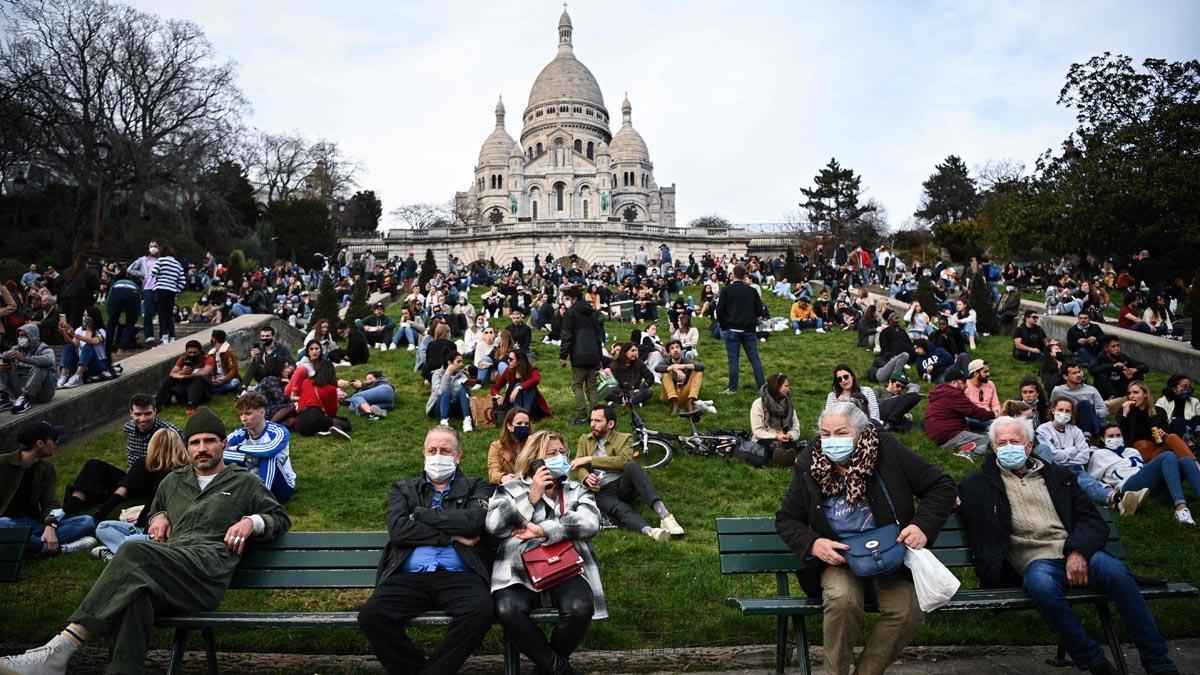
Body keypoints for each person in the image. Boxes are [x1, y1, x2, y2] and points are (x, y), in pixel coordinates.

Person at [0, 408, 291, 675]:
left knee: (132, 549)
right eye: (195, 442)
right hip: (167, 569)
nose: (202, 449)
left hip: (206, 575)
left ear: (224, 444)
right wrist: (158, 516)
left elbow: (279, 517)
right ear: (187, 447)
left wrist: (251, 521)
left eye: (209, 441)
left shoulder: (245, 482)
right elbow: (153, 511)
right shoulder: (173, 481)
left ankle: (61, 648)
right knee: (134, 597)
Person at [957, 416, 1182, 675]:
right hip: (1034, 561)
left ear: (1029, 446)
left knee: (1117, 572)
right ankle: (1094, 661)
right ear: (994, 448)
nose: (1008, 447)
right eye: (1002, 443)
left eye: (1015, 442)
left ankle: (1159, 663)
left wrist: (1077, 551)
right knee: (1040, 585)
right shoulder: (977, 485)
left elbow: (1092, 520)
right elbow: (942, 492)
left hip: (1076, 551)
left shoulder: (1058, 477)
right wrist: (949, 498)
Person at [775, 402, 957, 675]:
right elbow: (787, 519)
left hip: (889, 555)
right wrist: (814, 543)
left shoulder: (886, 450)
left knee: (906, 612)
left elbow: (941, 486)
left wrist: (922, 526)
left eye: (841, 433)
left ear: (860, 433)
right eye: (825, 434)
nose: (831, 441)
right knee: (842, 601)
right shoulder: (809, 463)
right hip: (839, 559)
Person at [356, 424, 495, 674]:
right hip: (409, 575)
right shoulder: (403, 489)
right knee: (371, 615)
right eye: (432, 450)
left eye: (445, 450)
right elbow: (399, 532)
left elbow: (473, 523)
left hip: (460, 574)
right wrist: (453, 537)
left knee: (481, 610)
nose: (437, 455)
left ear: (458, 455)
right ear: (424, 453)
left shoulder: (478, 487)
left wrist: (420, 514)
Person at [487, 430, 604, 675]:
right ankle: (561, 670)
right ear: (534, 459)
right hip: (517, 567)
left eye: (562, 452)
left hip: (566, 566)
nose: (560, 457)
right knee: (509, 609)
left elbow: (591, 522)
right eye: (551, 453)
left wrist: (542, 530)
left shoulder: (576, 489)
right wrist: (531, 497)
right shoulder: (510, 489)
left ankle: (545, 669)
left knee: (580, 608)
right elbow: (495, 524)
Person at [572, 405, 682, 541]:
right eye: (591, 420)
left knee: (632, 466)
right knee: (621, 509)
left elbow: (623, 461)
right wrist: (586, 477)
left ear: (610, 424)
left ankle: (665, 516)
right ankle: (652, 532)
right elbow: (577, 465)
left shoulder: (624, 438)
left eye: (597, 421)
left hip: (623, 484)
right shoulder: (584, 440)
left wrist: (590, 459)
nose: (592, 424)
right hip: (601, 490)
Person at [90, 428, 192, 562]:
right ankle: (124, 553)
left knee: (131, 540)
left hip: (158, 532)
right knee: (104, 527)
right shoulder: (147, 468)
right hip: (142, 526)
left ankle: (119, 555)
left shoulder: (181, 476)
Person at [0, 421, 96, 556]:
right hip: (6, 523)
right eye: (53, 439)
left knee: (87, 521)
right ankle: (51, 548)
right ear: (40, 443)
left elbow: (49, 502)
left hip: (33, 525)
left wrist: (50, 526)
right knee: (3, 524)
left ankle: (30, 545)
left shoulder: (46, 469)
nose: (56, 443)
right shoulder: (3, 463)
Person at [1088, 423, 1197, 521]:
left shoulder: (1132, 451)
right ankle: (1181, 508)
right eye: (1111, 436)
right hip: (1129, 487)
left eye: (1118, 435)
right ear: (1102, 438)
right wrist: (1109, 491)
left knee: (1186, 461)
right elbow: (1093, 480)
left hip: (1150, 487)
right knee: (1167, 455)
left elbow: (1143, 468)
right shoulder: (1099, 455)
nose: (1115, 438)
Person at [1035, 397, 1115, 507]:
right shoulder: (1043, 430)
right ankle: (1113, 498)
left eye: (1067, 411)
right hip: (1057, 469)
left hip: (1076, 468)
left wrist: (1062, 453)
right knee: (1082, 483)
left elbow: (1084, 456)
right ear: (1053, 410)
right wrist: (1073, 450)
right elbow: (1051, 455)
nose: (1063, 413)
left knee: (1089, 482)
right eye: (1060, 410)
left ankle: (1115, 498)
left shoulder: (1076, 431)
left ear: (1072, 413)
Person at [224, 392, 296, 503]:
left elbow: (268, 450)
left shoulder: (279, 431)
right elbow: (219, 453)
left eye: (248, 413)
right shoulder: (239, 433)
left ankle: (261, 500)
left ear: (262, 412)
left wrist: (240, 448)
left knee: (268, 458)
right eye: (241, 414)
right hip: (252, 477)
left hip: (282, 485)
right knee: (225, 461)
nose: (243, 418)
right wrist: (244, 458)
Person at [715, 264, 767, 394]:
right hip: (749, 330)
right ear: (745, 275)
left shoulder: (727, 290)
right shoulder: (752, 291)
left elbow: (719, 310)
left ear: (733, 274)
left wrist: (724, 326)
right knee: (755, 360)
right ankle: (762, 388)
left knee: (733, 361)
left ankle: (733, 389)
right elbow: (760, 311)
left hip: (732, 329)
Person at [924, 367, 995, 458]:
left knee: (978, 432)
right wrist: (996, 415)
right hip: (949, 435)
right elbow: (976, 412)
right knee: (990, 442)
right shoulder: (954, 394)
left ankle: (964, 446)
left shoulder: (940, 393)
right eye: (963, 382)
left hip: (937, 437)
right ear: (954, 383)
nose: (966, 385)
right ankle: (966, 452)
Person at [559, 286, 604, 426]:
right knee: (592, 386)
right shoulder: (592, 312)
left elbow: (567, 336)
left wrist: (563, 355)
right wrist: (600, 357)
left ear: (574, 298)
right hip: (593, 354)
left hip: (578, 355)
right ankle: (597, 416)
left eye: (567, 298)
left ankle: (582, 416)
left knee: (577, 385)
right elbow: (599, 336)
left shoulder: (570, 313)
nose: (566, 301)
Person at [1119, 380, 1194, 463]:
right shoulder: (1125, 411)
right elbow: (1119, 436)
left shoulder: (1159, 411)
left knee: (1172, 437)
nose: (1131, 396)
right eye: (1129, 393)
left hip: (1157, 450)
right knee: (1170, 456)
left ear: (1145, 394)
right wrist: (1124, 414)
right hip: (1138, 452)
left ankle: (1195, 465)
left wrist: (1163, 433)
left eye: (1135, 393)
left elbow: (1166, 434)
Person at [0, 324, 57, 414]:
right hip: (20, 391)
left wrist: (24, 358)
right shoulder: (16, 349)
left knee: (42, 366)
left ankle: (25, 398)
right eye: (19, 335)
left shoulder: (44, 348)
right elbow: (3, 356)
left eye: (23, 335)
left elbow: (49, 360)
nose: (20, 338)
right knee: (3, 366)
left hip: (43, 393)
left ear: (32, 336)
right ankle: (4, 398)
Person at [293, 359, 352, 440]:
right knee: (346, 424)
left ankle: (322, 431)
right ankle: (329, 429)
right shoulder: (330, 388)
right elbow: (331, 412)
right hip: (316, 417)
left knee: (326, 421)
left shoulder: (306, 381)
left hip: (301, 421)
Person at [56, 306, 113, 388]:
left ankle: (78, 376)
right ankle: (63, 375)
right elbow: (74, 343)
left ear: (93, 317)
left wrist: (74, 335)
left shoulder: (101, 331)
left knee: (87, 346)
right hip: (83, 365)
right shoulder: (80, 330)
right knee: (68, 346)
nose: (84, 318)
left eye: (87, 315)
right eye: (83, 315)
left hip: (98, 364)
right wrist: (63, 333)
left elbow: (94, 342)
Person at [490, 349, 552, 422]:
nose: (508, 361)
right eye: (508, 359)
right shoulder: (509, 370)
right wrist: (497, 396)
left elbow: (536, 379)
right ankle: (518, 413)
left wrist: (519, 388)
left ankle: (525, 413)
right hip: (513, 401)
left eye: (511, 359)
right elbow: (495, 387)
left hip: (530, 401)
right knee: (518, 385)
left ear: (519, 361)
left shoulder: (531, 369)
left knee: (526, 386)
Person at [154, 340, 214, 413]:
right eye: (189, 352)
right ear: (186, 352)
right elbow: (172, 374)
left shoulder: (207, 359)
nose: (192, 355)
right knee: (170, 379)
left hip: (204, 391)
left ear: (200, 351)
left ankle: (192, 406)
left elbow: (204, 372)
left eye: (195, 352)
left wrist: (184, 376)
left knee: (198, 378)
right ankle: (157, 405)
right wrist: (182, 372)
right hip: (184, 391)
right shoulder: (183, 359)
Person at [751, 373, 803, 457]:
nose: (788, 389)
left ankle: (784, 456)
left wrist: (789, 435)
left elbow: (796, 427)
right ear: (777, 387)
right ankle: (781, 456)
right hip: (765, 438)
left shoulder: (788, 404)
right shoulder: (758, 404)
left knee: (791, 445)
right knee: (773, 445)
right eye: (786, 386)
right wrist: (776, 436)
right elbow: (757, 431)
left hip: (784, 438)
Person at [1090, 336, 1148, 407]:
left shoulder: (1122, 357)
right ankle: (1113, 397)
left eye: (1118, 345)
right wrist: (1112, 365)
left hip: (1120, 386)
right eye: (1113, 346)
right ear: (1106, 348)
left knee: (1138, 374)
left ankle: (1138, 395)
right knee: (1101, 375)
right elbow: (1092, 370)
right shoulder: (1100, 357)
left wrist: (1136, 369)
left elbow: (1144, 366)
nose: (1117, 349)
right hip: (1107, 389)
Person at [1051, 364, 1107, 436]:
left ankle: (1088, 435)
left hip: (1093, 421)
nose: (1078, 375)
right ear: (1065, 377)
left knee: (1085, 405)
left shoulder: (1091, 390)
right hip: (1071, 421)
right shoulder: (1058, 391)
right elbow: (1052, 408)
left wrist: (1089, 412)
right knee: (1083, 404)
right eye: (1074, 373)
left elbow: (1104, 410)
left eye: (1079, 372)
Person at [426, 351, 474, 433]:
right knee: (446, 392)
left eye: (461, 361)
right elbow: (440, 392)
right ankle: (444, 421)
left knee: (462, 389)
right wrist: (447, 375)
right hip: (438, 407)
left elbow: (467, 395)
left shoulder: (461, 374)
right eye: (458, 362)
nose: (461, 364)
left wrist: (467, 385)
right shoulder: (437, 374)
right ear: (450, 363)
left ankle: (467, 419)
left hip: (455, 406)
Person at [655, 340, 704, 416]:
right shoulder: (666, 362)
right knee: (665, 372)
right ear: (669, 352)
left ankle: (690, 402)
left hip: (684, 393)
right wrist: (673, 368)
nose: (675, 350)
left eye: (677, 347)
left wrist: (683, 366)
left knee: (698, 371)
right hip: (668, 396)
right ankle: (674, 403)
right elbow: (657, 368)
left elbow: (701, 366)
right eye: (672, 348)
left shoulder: (686, 361)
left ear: (681, 350)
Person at [150, 244, 185, 345]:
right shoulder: (178, 264)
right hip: (171, 291)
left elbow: (153, 272)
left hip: (161, 289)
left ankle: (164, 336)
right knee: (169, 314)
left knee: (162, 313)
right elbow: (182, 281)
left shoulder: (161, 260)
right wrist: (176, 289)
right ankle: (172, 336)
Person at [488, 407, 532, 485]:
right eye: (519, 423)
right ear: (509, 426)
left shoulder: (532, 443)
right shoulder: (496, 446)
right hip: (509, 486)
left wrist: (532, 445)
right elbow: (493, 473)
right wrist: (502, 478)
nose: (523, 426)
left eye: (526, 424)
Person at [127, 241, 159, 344]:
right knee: (148, 312)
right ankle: (149, 335)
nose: (153, 248)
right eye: (151, 246)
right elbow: (130, 269)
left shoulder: (161, 259)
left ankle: (164, 334)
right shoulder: (143, 260)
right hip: (148, 287)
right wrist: (142, 275)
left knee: (160, 310)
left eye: (155, 246)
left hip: (160, 287)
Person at [606, 342, 655, 408]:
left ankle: (627, 401)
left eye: (636, 351)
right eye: (632, 351)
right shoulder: (615, 365)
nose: (635, 353)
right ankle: (629, 401)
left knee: (648, 392)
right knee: (606, 392)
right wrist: (622, 395)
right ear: (625, 352)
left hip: (635, 391)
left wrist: (640, 388)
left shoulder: (639, 363)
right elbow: (614, 384)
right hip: (621, 392)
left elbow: (650, 377)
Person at [1156, 375, 1199, 447]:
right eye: (1185, 386)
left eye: (1189, 386)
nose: (1188, 389)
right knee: (1178, 420)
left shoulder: (1194, 401)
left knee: (1197, 418)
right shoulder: (1162, 401)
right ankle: (1190, 444)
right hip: (1172, 431)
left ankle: (1196, 441)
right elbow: (1159, 420)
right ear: (1174, 389)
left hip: (1192, 430)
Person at [207, 329, 241, 396]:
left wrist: (222, 381)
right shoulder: (212, 353)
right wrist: (212, 377)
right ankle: (217, 390)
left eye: (211, 338)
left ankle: (214, 392)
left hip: (227, 379)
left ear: (214, 339)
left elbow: (233, 371)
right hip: (216, 379)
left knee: (235, 382)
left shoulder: (229, 351)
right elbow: (210, 370)